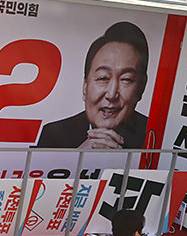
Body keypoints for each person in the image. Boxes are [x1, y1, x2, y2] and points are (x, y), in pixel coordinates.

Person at [36, 22, 150, 150]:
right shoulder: (53, 135)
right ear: (85, 86)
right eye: (103, 78)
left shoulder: (155, 138)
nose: (111, 94)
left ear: (141, 87)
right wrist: (74, 161)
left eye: (126, 79)